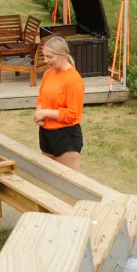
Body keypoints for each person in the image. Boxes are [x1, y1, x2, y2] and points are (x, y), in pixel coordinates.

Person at [34, 35, 85, 171]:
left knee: (69, 182)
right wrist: (39, 112)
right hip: (46, 132)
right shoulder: (48, 74)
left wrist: (45, 113)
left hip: (65, 135)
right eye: (44, 56)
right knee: (49, 177)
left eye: (50, 57)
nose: (46, 61)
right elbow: (41, 98)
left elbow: (73, 114)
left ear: (62, 55)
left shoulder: (73, 80)